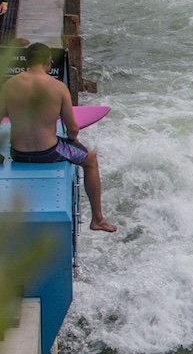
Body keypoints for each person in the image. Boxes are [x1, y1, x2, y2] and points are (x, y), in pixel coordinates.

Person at [1, 43, 116, 232]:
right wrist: (72, 140)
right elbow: (72, 128)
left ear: (26, 63)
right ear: (48, 62)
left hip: (18, 153)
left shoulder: (9, 85)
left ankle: (98, 219)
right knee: (91, 159)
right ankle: (98, 219)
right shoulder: (58, 87)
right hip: (49, 152)